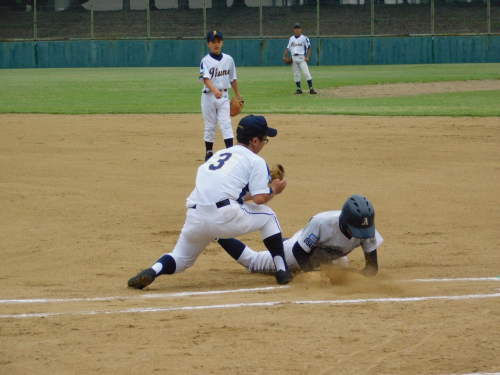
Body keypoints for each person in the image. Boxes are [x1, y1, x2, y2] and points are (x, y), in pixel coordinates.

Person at [128, 115, 293, 290]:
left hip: (196, 216)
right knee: (268, 216)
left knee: (180, 258)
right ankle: (282, 270)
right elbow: (261, 199)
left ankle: (153, 270)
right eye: (264, 140)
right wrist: (274, 190)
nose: (263, 144)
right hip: (225, 218)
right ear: (254, 141)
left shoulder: (219, 155)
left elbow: (232, 194)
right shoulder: (256, 160)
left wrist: (255, 192)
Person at [217, 194, 383, 277]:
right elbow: (299, 252)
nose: (362, 235)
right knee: (252, 262)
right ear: (346, 222)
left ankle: (282, 242)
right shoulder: (322, 222)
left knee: (342, 268)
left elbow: (372, 268)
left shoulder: (365, 226)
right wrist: (316, 276)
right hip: (297, 253)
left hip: (325, 254)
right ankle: (216, 233)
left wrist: (354, 278)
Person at [199, 30, 242, 162]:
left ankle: (230, 152)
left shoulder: (228, 59)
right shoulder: (205, 61)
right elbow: (205, 79)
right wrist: (214, 90)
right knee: (210, 126)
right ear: (208, 44)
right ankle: (209, 152)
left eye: (219, 41)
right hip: (209, 96)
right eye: (213, 42)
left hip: (224, 96)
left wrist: (238, 96)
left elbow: (233, 79)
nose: (216, 44)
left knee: (226, 123)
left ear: (222, 42)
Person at [283, 23, 317, 95]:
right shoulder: (291, 38)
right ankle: (299, 89)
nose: (297, 30)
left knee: (306, 73)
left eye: (298, 28)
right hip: (293, 58)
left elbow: (309, 47)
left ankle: (311, 88)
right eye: (296, 28)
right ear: (294, 29)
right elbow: (288, 48)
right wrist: (284, 56)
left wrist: (307, 57)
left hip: (301, 57)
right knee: (296, 74)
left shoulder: (304, 38)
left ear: (301, 29)